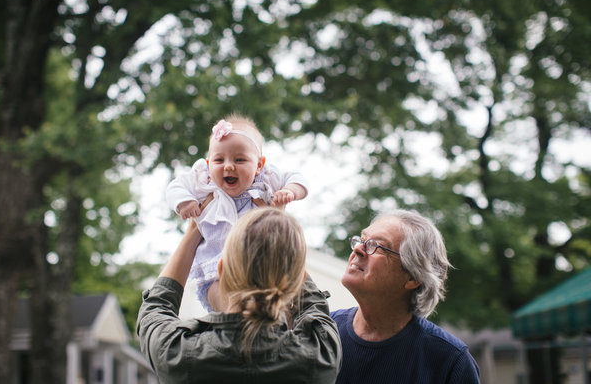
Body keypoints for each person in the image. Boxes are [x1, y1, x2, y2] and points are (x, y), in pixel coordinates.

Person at [136, 207, 342, 383]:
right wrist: (280, 239)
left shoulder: (178, 355)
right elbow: (314, 306)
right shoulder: (319, 356)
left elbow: (155, 308)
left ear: (221, 269)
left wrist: (194, 230)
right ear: (296, 281)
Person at [165, 114, 308, 311]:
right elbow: (175, 187)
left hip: (260, 272)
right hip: (215, 271)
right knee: (227, 302)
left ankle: (267, 314)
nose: (229, 166)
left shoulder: (266, 179)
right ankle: (237, 319)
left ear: (259, 165)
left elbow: (298, 178)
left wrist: (290, 191)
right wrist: (185, 202)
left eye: (240, 160)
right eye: (218, 160)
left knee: (270, 298)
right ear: (208, 164)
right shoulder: (202, 180)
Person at [331, 209, 480, 383]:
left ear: (413, 277)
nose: (358, 249)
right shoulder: (319, 334)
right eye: (361, 240)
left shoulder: (450, 361)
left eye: (375, 245)